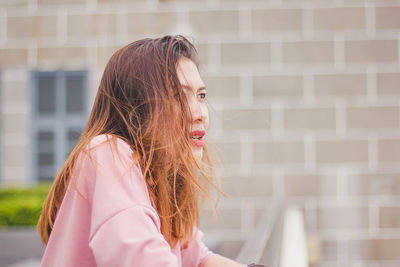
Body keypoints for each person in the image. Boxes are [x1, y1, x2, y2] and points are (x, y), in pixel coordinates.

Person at [37, 35, 252, 266]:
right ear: (137, 109)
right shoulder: (108, 150)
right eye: (178, 97)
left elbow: (196, 259)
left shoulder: (159, 177)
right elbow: (142, 258)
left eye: (201, 96)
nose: (200, 113)